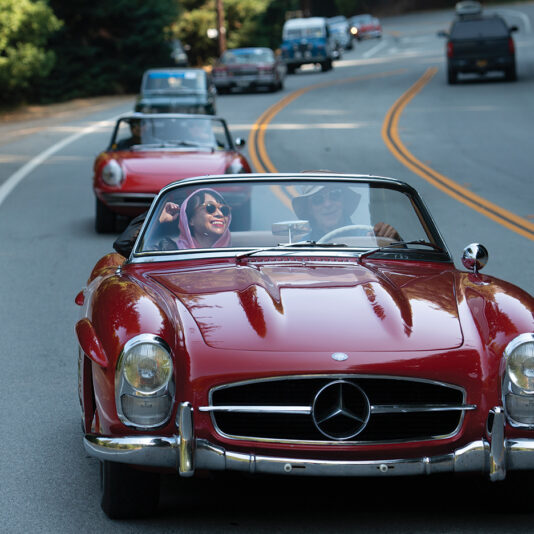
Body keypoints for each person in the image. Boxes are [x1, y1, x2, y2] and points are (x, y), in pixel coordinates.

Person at [291, 184, 400, 242]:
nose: (327, 204)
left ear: (344, 200)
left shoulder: (368, 238)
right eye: (317, 199)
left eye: (335, 194)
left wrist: (393, 241)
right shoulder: (301, 247)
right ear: (309, 209)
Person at [156, 188, 231, 249]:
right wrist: (158, 219)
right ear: (190, 220)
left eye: (224, 210)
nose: (220, 214)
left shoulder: (238, 255)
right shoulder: (167, 250)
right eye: (210, 207)